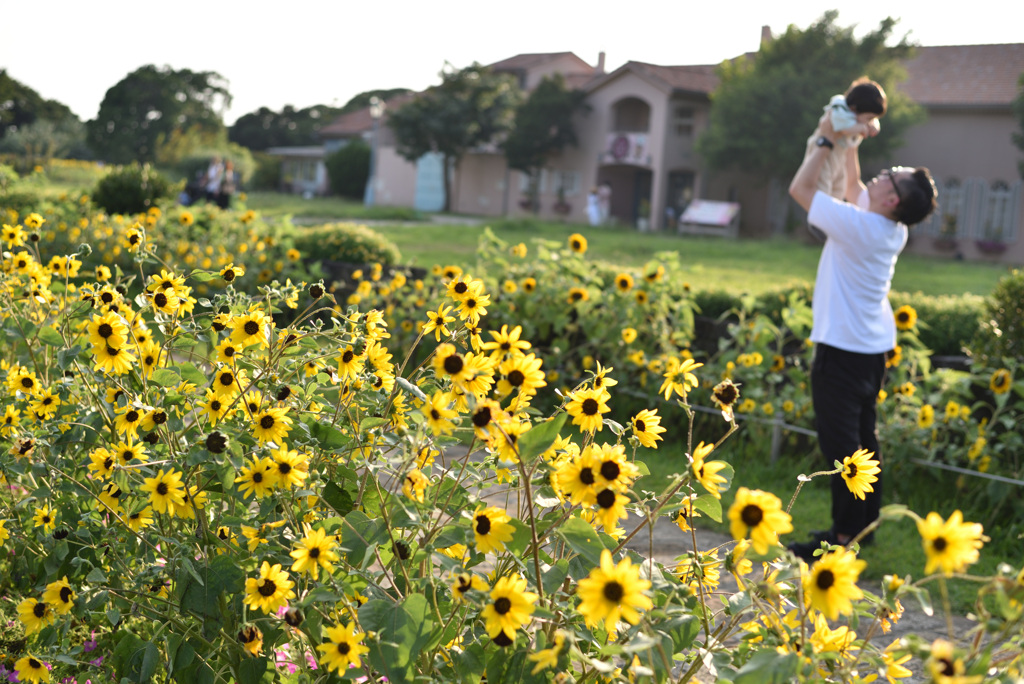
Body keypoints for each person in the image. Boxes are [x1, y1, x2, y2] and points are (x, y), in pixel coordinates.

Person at [787, 112, 937, 563]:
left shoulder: (863, 227)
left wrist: (828, 142)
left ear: (892, 198)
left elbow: (801, 190)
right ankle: (862, 529)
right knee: (864, 443)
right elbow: (854, 191)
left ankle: (842, 539)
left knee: (842, 449)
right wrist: (854, 140)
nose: (882, 173)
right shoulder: (890, 228)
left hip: (844, 352)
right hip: (870, 351)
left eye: (890, 176)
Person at [804, 78, 887, 240]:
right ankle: (818, 220)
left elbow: (874, 123)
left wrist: (871, 125)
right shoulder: (839, 108)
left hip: (839, 154)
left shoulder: (859, 114)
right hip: (823, 151)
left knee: (839, 186)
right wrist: (862, 128)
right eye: (869, 118)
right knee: (823, 184)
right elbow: (842, 127)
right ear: (854, 109)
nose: (870, 122)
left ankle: (831, 217)